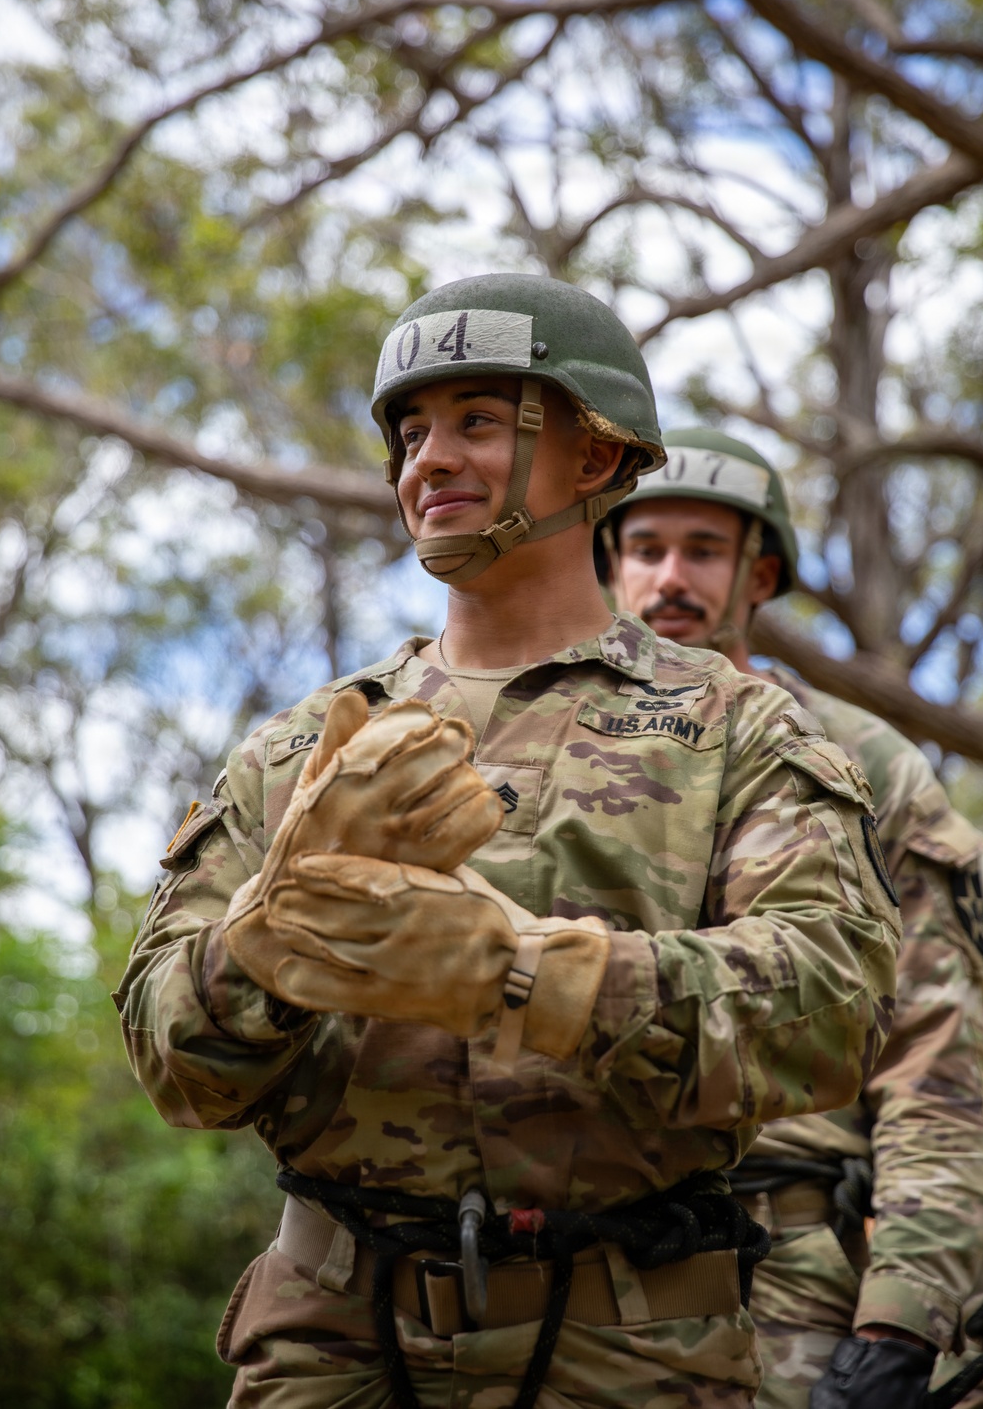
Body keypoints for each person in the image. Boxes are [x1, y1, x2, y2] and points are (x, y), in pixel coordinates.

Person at [116, 277, 899, 1409]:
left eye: (480, 421)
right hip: (331, 1341)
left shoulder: (735, 728)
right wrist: (261, 954)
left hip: (629, 1347)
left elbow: (836, 1009)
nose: (430, 458)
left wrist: (524, 974)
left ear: (594, 460)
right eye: (413, 430)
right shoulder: (302, 750)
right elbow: (170, 1065)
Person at [599, 426, 983, 1408]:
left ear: (759, 574)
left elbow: (938, 1062)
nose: (670, 579)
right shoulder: (547, 742)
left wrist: (899, 1318)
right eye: (645, 549)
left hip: (778, 1265)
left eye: (703, 549)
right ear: (609, 568)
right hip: (558, 1266)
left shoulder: (860, 763)